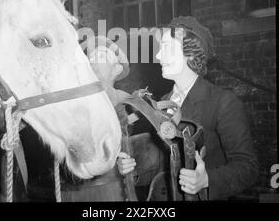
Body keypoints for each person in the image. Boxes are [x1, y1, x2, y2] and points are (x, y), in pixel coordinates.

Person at [117, 16, 259, 200]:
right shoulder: (162, 103)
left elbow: (248, 167)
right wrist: (133, 170)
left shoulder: (223, 102)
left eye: (167, 47)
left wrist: (207, 179)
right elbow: (162, 170)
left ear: (190, 52)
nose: (158, 56)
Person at [61, 35, 134, 201]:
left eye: (100, 56)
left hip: (111, 191)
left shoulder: (129, 102)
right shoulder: (71, 102)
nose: (92, 60)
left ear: (117, 69)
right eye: (90, 56)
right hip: (70, 190)